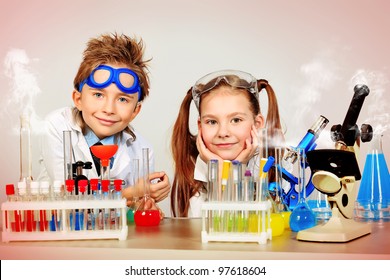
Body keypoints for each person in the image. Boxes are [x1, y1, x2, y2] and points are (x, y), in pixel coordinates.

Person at [37, 33, 170, 207]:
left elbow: (138, 206)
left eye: (122, 99)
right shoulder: (57, 126)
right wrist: (130, 194)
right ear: (78, 99)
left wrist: (146, 202)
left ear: (135, 110)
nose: (108, 109)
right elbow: (70, 200)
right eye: (98, 94)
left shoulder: (141, 149)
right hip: (60, 230)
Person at [170, 70, 284, 217]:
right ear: (200, 126)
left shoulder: (277, 164)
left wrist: (237, 169)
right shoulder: (193, 165)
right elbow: (211, 229)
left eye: (236, 120)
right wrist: (220, 172)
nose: (223, 132)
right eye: (211, 122)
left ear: (257, 123)